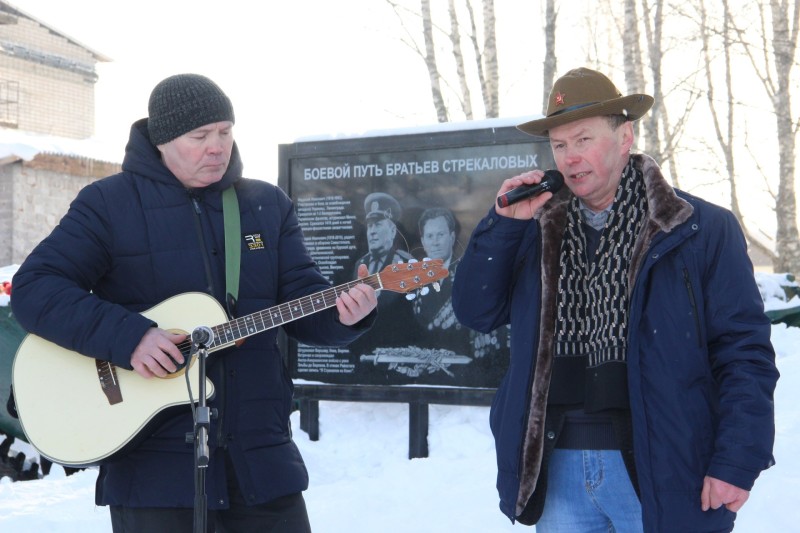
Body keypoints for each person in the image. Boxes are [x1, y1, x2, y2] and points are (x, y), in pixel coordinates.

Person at [11, 73, 378, 532]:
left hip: (261, 461)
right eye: (200, 135)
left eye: (225, 132)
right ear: (162, 140)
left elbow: (301, 299)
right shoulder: (108, 204)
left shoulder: (266, 204)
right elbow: (36, 288)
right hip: (154, 472)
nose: (217, 147)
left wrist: (346, 315)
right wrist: (130, 338)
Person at [451, 67, 779, 532]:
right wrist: (504, 225)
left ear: (625, 136)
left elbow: (744, 355)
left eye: (583, 140)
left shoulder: (697, 228)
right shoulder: (532, 228)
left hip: (663, 468)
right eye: (560, 145)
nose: (570, 158)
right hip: (556, 470)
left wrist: (737, 460)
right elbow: (473, 310)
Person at [354, 191, 414, 277]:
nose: (372, 231)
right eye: (370, 226)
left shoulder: (405, 262)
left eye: (378, 225)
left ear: (393, 231)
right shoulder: (360, 264)